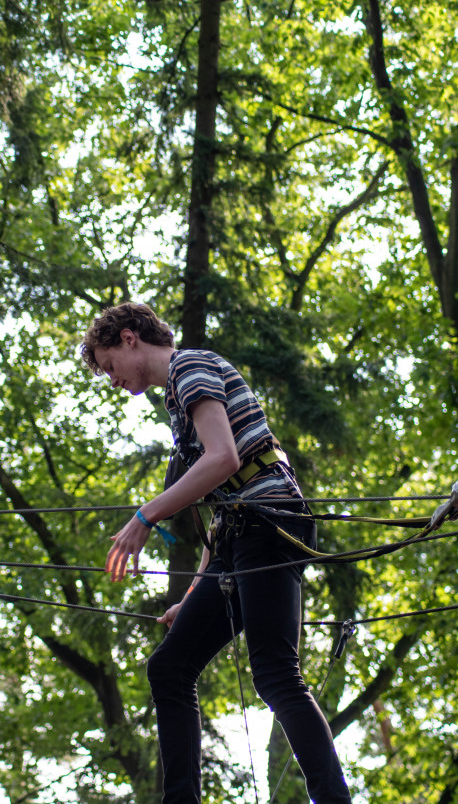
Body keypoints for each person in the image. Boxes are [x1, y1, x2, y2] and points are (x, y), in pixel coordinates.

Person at [81, 302, 352, 804]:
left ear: (128, 339)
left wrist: (145, 517)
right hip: (239, 532)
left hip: (270, 520)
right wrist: (194, 594)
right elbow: (220, 506)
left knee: (274, 674)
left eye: (110, 367)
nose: (113, 381)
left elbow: (224, 457)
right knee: (169, 667)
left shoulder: (191, 366)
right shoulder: (177, 401)